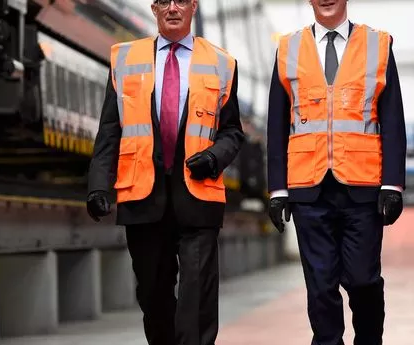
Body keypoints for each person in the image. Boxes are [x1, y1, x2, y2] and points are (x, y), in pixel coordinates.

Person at [86, 0, 244, 344]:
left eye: (182, 1)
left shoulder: (221, 63)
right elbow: (110, 129)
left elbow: (232, 131)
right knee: (153, 297)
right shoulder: (125, 59)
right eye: (164, 1)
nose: (173, 8)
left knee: (196, 299)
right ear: (154, 8)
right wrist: (99, 186)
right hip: (142, 196)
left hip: (198, 196)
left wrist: (214, 157)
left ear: (194, 7)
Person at [266, 0, 406, 344]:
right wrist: (277, 189)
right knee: (320, 284)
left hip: (363, 188)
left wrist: (393, 184)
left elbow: (392, 119)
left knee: (363, 280)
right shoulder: (288, 48)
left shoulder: (378, 44)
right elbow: (276, 122)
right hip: (308, 188)